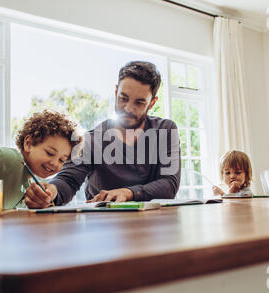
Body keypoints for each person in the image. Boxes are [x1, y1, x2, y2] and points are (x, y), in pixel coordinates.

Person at [24, 61, 181, 208]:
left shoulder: (165, 130)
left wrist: (128, 193)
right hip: (102, 225)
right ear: (115, 92)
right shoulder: (92, 139)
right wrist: (51, 191)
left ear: (152, 103)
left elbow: (169, 184)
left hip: (153, 225)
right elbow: (68, 180)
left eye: (139, 103)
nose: (128, 108)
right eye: (123, 98)